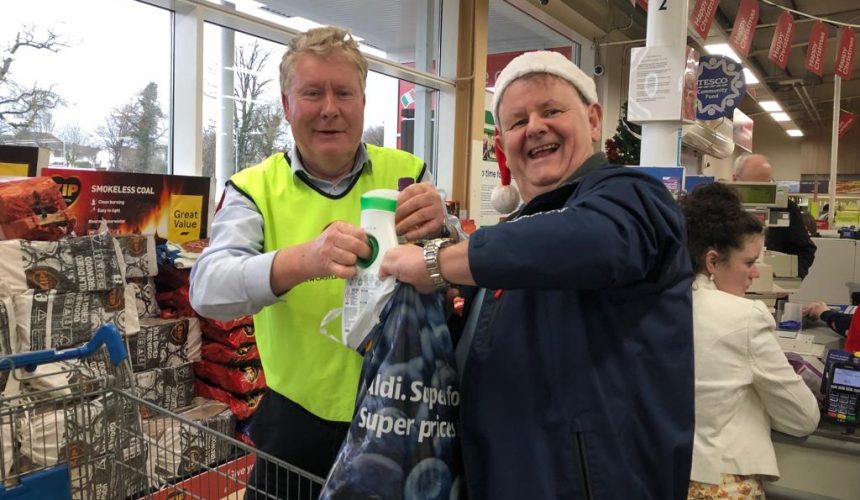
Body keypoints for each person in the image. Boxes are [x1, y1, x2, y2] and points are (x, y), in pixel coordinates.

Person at [380, 50, 695, 499]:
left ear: (593, 120)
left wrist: (436, 262)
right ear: (503, 143)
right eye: (517, 120)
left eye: (551, 110)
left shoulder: (633, 197)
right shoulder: (514, 235)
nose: (535, 127)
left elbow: (590, 242)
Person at [189, 26, 456, 499]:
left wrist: (444, 232)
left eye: (343, 92)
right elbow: (208, 289)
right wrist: (303, 259)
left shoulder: (409, 174)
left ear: (362, 102)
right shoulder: (253, 188)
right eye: (312, 93)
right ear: (286, 104)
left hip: (399, 411)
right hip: (296, 424)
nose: (330, 108)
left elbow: (450, 274)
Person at [680, 182, 820, 499]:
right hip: (720, 483)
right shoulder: (744, 317)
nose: (755, 273)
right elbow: (803, 418)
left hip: (661, 473)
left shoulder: (656, 305)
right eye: (749, 262)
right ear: (713, 262)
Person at [733, 154, 816, 278]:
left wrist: (789, 279)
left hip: (771, 286)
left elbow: (804, 250)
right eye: (754, 186)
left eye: (767, 185)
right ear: (735, 180)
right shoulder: (721, 208)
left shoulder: (786, 208)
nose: (761, 192)